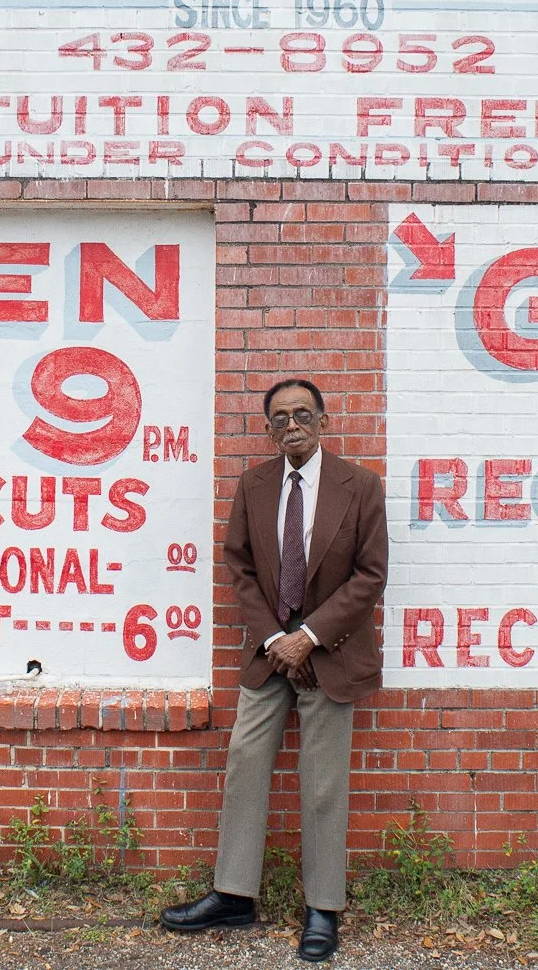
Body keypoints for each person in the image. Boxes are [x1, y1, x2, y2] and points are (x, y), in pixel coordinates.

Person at [159, 377, 389, 963]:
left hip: (329, 656)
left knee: (322, 784)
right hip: (269, 658)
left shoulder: (360, 486)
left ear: (323, 421)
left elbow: (370, 574)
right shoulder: (254, 485)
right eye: (280, 417)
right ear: (269, 428)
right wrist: (274, 639)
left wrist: (308, 638)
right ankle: (234, 895)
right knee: (244, 765)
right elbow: (238, 567)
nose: (292, 425)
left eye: (302, 414)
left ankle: (323, 909)